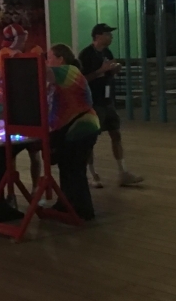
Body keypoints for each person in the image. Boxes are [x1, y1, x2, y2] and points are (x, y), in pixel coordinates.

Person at [78, 23, 143, 187]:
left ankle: (123, 172)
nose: (111, 37)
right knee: (90, 139)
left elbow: (107, 71)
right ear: (98, 36)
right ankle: (92, 174)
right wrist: (101, 70)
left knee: (116, 134)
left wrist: (113, 70)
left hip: (107, 101)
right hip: (93, 102)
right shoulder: (86, 55)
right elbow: (82, 80)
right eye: (108, 34)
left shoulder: (107, 52)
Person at [46, 44, 101, 221]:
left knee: (75, 169)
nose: (48, 61)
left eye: (49, 57)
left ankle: (83, 210)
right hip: (76, 127)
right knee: (67, 167)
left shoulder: (68, 70)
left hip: (82, 126)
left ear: (60, 59)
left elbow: (44, 73)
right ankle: (67, 204)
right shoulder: (66, 74)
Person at [0, 23, 43, 193]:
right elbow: (0, 78)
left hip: (32, 107)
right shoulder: (4, 53)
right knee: (10, 153)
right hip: (12, 107)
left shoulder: (36, 50)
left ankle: (36, 188)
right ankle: (11, 191)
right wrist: (0, 90)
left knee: (34, 152)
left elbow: (40, 77)